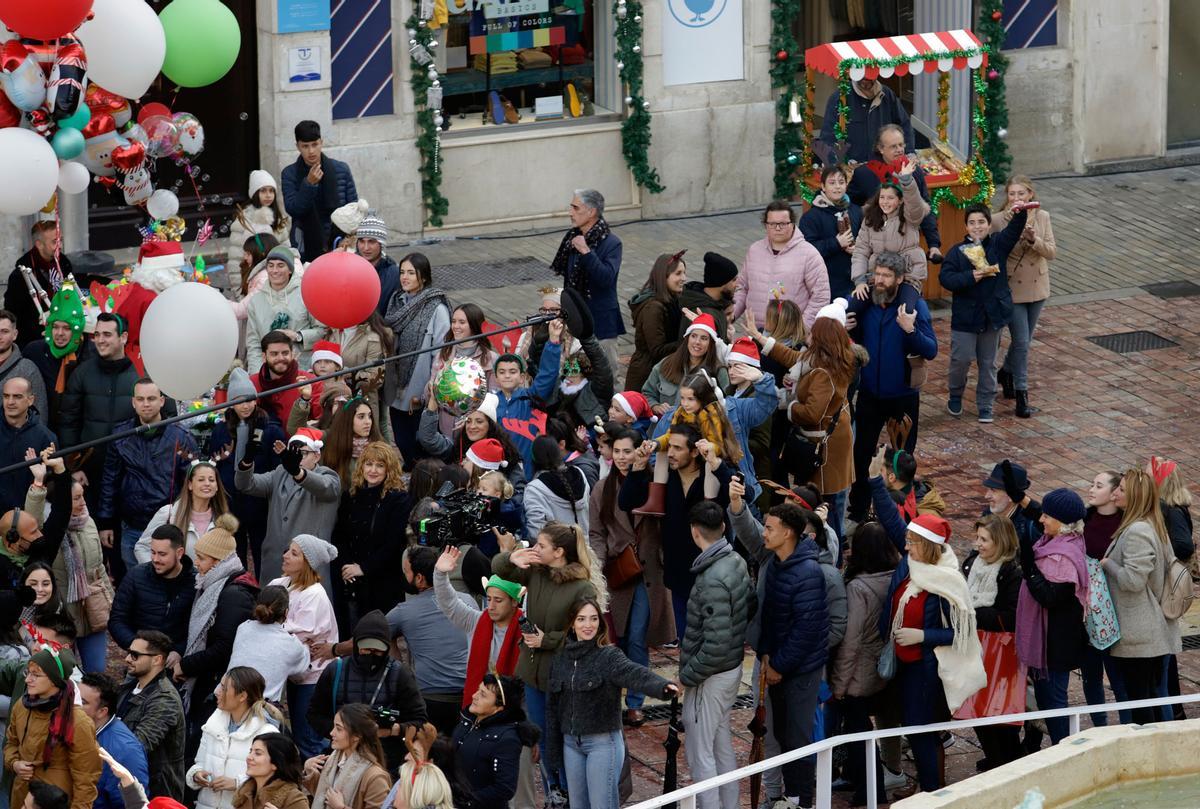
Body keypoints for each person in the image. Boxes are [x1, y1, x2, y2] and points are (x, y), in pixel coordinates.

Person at [491, 524, 597, 801]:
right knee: (542, 737)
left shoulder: (582, 587)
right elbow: (501, 571)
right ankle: (554, 793)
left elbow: (587, 634)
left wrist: (547, 640)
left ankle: (571, 794)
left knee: (562, 740)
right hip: (531, 674)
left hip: (560, 676)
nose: (535, 549)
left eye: (541, 546)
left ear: (559, 552)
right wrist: (509, 556)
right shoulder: (536, 572)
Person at [881, 514, 983, 794]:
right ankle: (930, 789)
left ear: (928, 545)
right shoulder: (912, 565)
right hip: (906, 667)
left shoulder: (948, 582)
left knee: (920, 732)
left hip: (925, 673)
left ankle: (932, 792)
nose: (906, 548)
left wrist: (922, 636)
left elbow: (963, 635)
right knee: (915, 731)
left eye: (911, 542)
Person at [546, 597, 676, 809]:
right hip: (571, 744)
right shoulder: (560, 660)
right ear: (571, 623)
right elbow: (552, 708)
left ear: (600, 622)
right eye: (581, 619)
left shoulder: (608, 656)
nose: (588, 625)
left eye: (593, 619)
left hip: (602, 744)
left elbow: (634, 673)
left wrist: (662, 686)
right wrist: (553, 755)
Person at [586, 425, 674, 726]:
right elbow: (596, 532)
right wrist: (597, 567)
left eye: (628, 451)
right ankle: (615, 697)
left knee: (637, 636)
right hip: (618, 569)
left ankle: (635, 701)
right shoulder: (601, 488)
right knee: (617, 637)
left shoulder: (655, 481)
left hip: (649, 569)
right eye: (618, 451)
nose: (622, 457)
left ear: (640, 450)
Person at [844, 252, 937, 523]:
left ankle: (901, 517)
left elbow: (931, 349)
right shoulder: (868, 304)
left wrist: (910, 330)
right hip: (870, 395)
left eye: (886, 276)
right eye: (877, 274)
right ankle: (857, 513)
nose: (879, 280)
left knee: (901, 461)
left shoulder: (915, 306)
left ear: (899, 278)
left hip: (903, 398)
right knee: (861, 456)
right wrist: (851, 329)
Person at [620, 427, 732, 639]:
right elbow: (626, 502)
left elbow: (746, 494)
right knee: (686, 641)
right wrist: (638, 467)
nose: (670, 453)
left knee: (715, 641)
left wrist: (717, 465)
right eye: (669, 446)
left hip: (713, 574)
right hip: (678, 574)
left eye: (677, 448)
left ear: (694, 452)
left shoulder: (713, 476)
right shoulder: (664, 480)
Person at [759, 305, 857, 538]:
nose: (808, 336)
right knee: (826, 499)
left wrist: (789, 404)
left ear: (822, 340)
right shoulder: (830, 359)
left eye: (814, 333)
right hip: (833, 440)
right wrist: (762, 339)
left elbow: (812, 413)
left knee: (824, 503)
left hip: (824, 448)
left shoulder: (824, 373)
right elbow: (794, 357)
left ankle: (830, 549)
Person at [679, 502, 752, 809]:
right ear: (723, 527)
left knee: (700, 753)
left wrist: (687, 676)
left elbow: (715, 645)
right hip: (731, 668)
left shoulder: (711, 578)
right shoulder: (735, 559)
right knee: (721, 745)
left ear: (695, 532)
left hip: (711, 676)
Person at [830, 522, 903, 804]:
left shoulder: (858, 587)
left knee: (857, 728)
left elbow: (851, 641)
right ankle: (875, 776)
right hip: (887, 664)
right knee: (884, 719)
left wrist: (839, 683)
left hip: (860, 670)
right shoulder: (896, 575)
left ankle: (870, 787)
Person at [1101, 468, 1181, 726]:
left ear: (1135, 496)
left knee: (1141, 702)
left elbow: (1133, 581)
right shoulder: (1150, 525)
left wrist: (1106, 565)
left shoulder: (1138, 531)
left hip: (1141, 633)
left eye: (1122, 490)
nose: (1115, 493)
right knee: (1151, 697)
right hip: (1149, 631)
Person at [939, 202, 1031, 423]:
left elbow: (1015, 229)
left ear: (989, 224)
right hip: (965, 318)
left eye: (981, 222)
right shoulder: (957, 252)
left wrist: (1021, 212)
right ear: (966, 227)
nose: (977, 227)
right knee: (960, 360)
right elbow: (946, 279)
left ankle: (986, 404)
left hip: (992, 317)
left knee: (988, 363)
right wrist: (970, 277)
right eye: (972, 223)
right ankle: (955, 394)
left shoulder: (998, 245)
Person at [97, 379, 197, 574]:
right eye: (141, 399)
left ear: (161, 401)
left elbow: (191, 483)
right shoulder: (120, 436)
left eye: (151, 398)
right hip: (132, 525)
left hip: (168, 525)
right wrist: (106, 522)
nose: (146, 404)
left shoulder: (181, 437)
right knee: (137, 578)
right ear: (133, 402)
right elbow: (110, 481)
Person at [307, 610, 425, 772]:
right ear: (356, 646)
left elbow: (419, 720)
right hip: (344, 759)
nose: (371, 655)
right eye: (366, 649)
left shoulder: (400, 674)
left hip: (386, 762)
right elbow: (314, 714)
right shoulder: (336, 670)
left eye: (377, 651)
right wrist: (342, 732)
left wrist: (392, 730)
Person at [1016, 488, 1088, 749]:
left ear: (1063, 522)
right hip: (1048, 639)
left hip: (1056, 644)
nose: (1042, 520)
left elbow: (1050, 597)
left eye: (1048, 516)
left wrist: (1029, 568)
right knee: (1047, 700)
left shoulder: (1063, 556)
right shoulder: (1056, 542)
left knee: (1054, 702)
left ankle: (1064, 750)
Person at [26, 449, 109, 673]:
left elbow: (99, 566)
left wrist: (108, 599)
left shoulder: (88, 521)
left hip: (92, 610)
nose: (83, 502)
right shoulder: (47, 527)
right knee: (62, 673)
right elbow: (31, 518)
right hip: (63, 612)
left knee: (97, 671)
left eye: (83, 495)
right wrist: (39, 480)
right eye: (76, 498)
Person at [174, 515, 257, 735]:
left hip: (217, 680)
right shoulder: (212, 585)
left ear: (218, 561)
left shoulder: (234, 594)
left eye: (201, 558)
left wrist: (186, 665)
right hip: (209, 676)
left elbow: (223, 647)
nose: (197, 564)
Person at [235, 429, 341, 587]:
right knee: (268, 610)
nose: (297, 458)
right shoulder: (280, 473)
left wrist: (298, 472)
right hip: (275, 564)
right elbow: (246, 485)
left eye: (303, 453)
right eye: (293, 452)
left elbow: (325, 487)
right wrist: (247, 461)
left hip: (306, 568)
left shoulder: (329, 476)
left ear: (317, 456)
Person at [959, 515, 1024, 771]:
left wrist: (974, 616)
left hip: (1002, 653)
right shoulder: (971, 563)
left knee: (1000, 709)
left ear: (1001, 541)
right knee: (975, 704)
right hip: (976, 648)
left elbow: (1011, 616)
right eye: (977, 538)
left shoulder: (1011, 572)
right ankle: (994, 756)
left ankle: (1005, 759)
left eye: (984, 540)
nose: (978, 545)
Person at [384, 547, 471, 736]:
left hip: (430, 699)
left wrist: (334, 649)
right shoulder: (468, 600)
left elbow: (372, 636)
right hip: (471, 696)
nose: (403, 575)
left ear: (420, 578)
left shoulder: (404, 611)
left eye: (406, 571)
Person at [57, 313, 137, 514]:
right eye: (97, 334)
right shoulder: (82, 373)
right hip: (89, 473)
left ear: (124, 337)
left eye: (107, 334)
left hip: (130, 471)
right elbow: (68, 422)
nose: (100, 340)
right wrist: (74, 467)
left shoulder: (139, 373)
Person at [210, 368, 285, 575]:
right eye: (240, 400)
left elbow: (278, 469)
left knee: (263, 553)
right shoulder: (220, 431)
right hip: (231, 503)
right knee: (235, 554)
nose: (246, 405)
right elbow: (216, 464)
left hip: (260, 504)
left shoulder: (270, 430)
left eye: (250, 399)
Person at [4, 647, 100, 809]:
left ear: (55, 680)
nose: (28, 680)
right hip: (22, 794)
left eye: (36, 674)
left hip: (55, 800)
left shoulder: (78, 722)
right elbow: (11, 742)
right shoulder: (22, 705)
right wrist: (14, 763)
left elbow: (86, 779)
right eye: (28, 673)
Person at [270, 536, 339, 759]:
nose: (285, 556)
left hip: (314, 676)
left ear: (307, 562)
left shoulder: (315, 595)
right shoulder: (281, 585)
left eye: (294, 553)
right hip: (295, 673)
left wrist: (277, 626)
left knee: (309, 739)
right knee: (298, 735)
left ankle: (314, 788)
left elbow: (298, 633)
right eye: (288, 550)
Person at [993, 176, 1056, 417]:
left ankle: (1006, 371)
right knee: (1021, 342)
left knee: (1025, 342)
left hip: (1038, 286)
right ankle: (1022, 394)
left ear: (1030, 194)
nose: (1016, 198)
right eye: (1012, 194)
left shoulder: (1042, 217)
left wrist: (1034, 239)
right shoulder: (998, 220)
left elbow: (1051, 252)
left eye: (1021, 193)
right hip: (1013, 288)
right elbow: (991, 250)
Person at [331, 442, 409, 633]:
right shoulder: (351, 495)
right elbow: (339, 535)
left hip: (383, 580)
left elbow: (393, 543)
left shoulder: (398, 499)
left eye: (380, 465)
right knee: (352, 633)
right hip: (351, 578)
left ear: (389, 469)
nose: (373, 470)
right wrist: (347, 566)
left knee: (383, 638)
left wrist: (363, 568)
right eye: (369, 464)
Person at [381, 253, 451, 468]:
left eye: (411, 273)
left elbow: (441, 352)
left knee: (419, 442)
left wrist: (430, 388)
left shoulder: (435, 307)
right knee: (401, 439)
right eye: (402, 272)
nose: (405, 277)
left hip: (420, 388)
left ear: (424, 276)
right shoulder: (396, 301)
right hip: (396, 384)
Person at [187, 668, 283, 809]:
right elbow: (199, 762)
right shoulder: (212, 724)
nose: (216, 691)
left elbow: (275, 779)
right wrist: (196, 775)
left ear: (242, 696)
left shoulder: (268, 732)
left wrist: (237, 783)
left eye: (224, 688)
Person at [846, 125, 942, 263]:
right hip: (876, 248)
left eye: (901, 145)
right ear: (880, 149)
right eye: (893, 146)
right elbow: (850, 206)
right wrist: (855, 240)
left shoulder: (914, 172)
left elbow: (924, 208)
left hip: (906, 246)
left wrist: (933, 244)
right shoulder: (865, 173)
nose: (899, 150)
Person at [551, 190, 623, 376]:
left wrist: (586, 252)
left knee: (606, 376)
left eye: (575, 207)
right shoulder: (572, 239)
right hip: (575, 321)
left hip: (601, 324)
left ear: (591, 212)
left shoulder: (611, 243)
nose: (570, 212)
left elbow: (606, 278)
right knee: (572, 376)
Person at [1080, 470, 1129, 726]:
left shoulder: (1126, 524)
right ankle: (1100, 727)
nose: (1091, 489)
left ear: (1113, 493)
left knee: (1118, 677)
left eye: (1098, 485)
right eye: (1092, 483)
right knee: (1090, 676)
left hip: (1116, 612)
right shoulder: (1084, 519)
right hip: (1088, 609)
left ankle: (1128, 728)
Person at [487, 318, 564, 478]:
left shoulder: (531, 398)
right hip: (495, 473)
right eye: (502, 372)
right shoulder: (489, 402)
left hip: (525, 473)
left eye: (512, 371)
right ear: (495, 377)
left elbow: (547, 375)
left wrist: (553, 342)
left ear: (522, 377)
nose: (507, 376)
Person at [115, 630, 186, 800]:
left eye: (135, 655)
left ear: (157, 659)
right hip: (129, 784)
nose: (127, 659)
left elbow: (137, 746)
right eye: (128, 653)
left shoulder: (165, 698)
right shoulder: (129, 687)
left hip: (155, 794)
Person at [736, 201, 830, 329]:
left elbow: (821, 297)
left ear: (792, 224)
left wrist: (802, 329)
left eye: (783, 224)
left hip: (789, 337)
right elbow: (742, 287)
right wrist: (731, 315)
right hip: (755, 332)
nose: (778, 228)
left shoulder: (809, 254)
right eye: (772, 224)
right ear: (766, 225)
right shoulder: (754, 250)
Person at [108, 525, 196, 654]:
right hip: (140, 657)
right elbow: (117, 620)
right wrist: (138, 648)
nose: (155, 559)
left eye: (162, 554)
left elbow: (199, 628)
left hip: (177, 662)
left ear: (179, 553)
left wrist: (179, 651)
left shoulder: (195, 583)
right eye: (153, 552)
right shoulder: (135, 576)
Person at [1150, 456, 1192, 721]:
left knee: (1165, 652)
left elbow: (1185, 546)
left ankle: (1174, 711)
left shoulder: (1171, 510)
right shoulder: (1172, 506)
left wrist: (1159, 553)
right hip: (1165, 589)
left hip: (1167, 590)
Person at [281, 120, 358, 263]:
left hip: (339, 241)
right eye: (305, 146)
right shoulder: (289, 174)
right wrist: (308, 184)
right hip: (306, 242)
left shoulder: (341, 169)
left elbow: (354, 210)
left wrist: (348, 239)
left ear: (321, 142)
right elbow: (293, 209)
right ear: (297, 147)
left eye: (315, 144)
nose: (311, 151)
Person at [850, 162, 931, 296]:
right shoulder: (871, 218)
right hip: (878, 277)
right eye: (882, 197)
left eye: (890, 198)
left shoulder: (909, 216)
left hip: (907, 276)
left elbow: (915, 205)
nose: (885, 202)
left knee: (910, 309)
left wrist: (907, 181)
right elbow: (861, 251)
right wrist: (859, 280)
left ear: (900, 201)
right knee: (854, 305)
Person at [24, 282, 96, 431]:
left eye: (66, 328)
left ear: (77, 331)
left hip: (78, 433)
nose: (59, 333)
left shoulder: (91, 354)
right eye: (55, 327)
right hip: (42, 431)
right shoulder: (34, 352)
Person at [451, 674, 529, 809]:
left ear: (499, 707)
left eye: (483, 695)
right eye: (477, 690)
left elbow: (504, 788)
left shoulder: (507, 739)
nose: (474, 696)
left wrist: (466, 802)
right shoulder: (468, 720)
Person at [133, 460, 230, 564]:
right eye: (201, 480)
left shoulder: (223, 519)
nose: (207, 483)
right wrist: (157, 575)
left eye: (211, 480)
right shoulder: (168, 513)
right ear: (190, 485)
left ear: (217, 487)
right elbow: (142, 548)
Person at [245, 248, 322, 375]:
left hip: (300, 368)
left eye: (280, 266)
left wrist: (298, 336)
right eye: (271, 266)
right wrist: (257, 375)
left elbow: (322, 331)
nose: (275, 271)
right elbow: (253, 344)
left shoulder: (306, 293)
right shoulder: (256, 301)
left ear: (290, 269)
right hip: (269, 372)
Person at [227, 586, 310, 703]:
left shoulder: (243, 627)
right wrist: (306, 646)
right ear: (286, 612)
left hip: (228, 702)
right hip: (261, 711)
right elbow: (302, 668)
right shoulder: (291, 644)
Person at [77, 672, 148, 809]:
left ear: (102, 712)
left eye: (82, 702)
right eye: (74, 698)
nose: (73, 705)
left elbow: (131, 804)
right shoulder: (73, 727)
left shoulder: (125, 752)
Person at [428, 304, 497, 439]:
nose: (456, 326)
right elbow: (429, 394)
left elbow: (493, 398)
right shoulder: (443, 354)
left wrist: (470, 418)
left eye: (462, 322)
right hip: (445, 430)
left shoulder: (490, 359)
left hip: (475, 432)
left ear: (474, 325)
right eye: (453, 321)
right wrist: (432, 387)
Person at [302, 704, 391, 809]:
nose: (331, 733)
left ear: (357, 736)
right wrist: (310, 771)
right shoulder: (333, 760)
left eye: (339, 729)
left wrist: (341, 808)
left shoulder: (375, 777)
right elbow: (324, 797)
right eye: (333, 727)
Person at [641, 315, 730, 415]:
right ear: (687, 338)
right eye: (694, 336)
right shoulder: (667, 363)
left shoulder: (718, 371)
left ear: (711, 344)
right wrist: (655, 406)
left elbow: (728, 405)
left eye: (704, 338)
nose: (697, 342)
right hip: (662, 428)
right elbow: (647, 393)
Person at [799, 165, 863, 300]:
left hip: (855, 281)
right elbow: (807, 251)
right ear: (823, 186)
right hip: (827, 284)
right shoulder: (811, 217)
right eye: (832, 183)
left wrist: (859, 248)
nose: (837, 187)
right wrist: (836, 243)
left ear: (846, 185)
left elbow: (868, 240)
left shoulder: (856, 211)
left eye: (841, 182)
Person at [5, 222, 73, 350]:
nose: (60, 246)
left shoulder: (64, 263)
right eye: (54, 242)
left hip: (63, 331)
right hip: (35, 340)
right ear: (39, 244)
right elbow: (13, 316)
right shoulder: (20, 275)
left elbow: (69, 294)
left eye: (61, 240)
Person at [625, 252, 687, 393]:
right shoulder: (653, 308)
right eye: (678, 273)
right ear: (663, 276)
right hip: (645, 378)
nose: (683, 278)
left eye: (684, 273)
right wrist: (687, 342)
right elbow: (657, 350)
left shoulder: (673, 300)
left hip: (661, 372)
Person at [818, 76, 913, 164]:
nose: (866, 77)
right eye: (862, 72)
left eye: (870, 72)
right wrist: (836, 164)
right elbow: (828, 137)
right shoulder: (840, 97)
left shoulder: (887, 95)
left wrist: (909, 153)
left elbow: (904, 125)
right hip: (852, 168)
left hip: (884, 166)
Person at [251, 332, 323, 437]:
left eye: (285, 353)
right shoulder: (251, 383)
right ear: (264, 356)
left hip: (298, 448)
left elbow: (321, 420)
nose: (280, 358)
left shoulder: (311, 382)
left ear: (292, 354)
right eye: (274, 354)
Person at [0, 377, 55, 511]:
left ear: (30, 400)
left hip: (28, 515)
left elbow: (53, 481)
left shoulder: (45, 437)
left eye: (17, 397)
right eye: (6, 396)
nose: (10, 402)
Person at [524, 436, 590, 538]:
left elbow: (536, 533)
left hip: (556, 552)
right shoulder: (579, 473)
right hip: (586, 549)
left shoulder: (535, 488)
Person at [228, 170, 293, 275]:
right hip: (251, 278)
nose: (268, 195)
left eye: (271, 191)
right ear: (254, 193)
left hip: (276, 278)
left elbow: (286, 250)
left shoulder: (277, 220)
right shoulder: (244, 221)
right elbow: (236, 258)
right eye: (263, 191)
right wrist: (239, 288)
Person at [231, 733, 309, 809]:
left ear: (275, 763)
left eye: (258, 753)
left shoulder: (293, 798)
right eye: (250, 751)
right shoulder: (244, 795)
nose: (249, 757)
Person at [321, 401, 384, 492]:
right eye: (361, 417)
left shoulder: (379, 444)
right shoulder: (333, 438)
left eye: (370, 416)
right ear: (349, 420)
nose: (368, 422)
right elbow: (295, 428)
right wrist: (304, 401)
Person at [676, 253, 738, 343]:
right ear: (722, 282)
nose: (737, 284)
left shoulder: (717, 305)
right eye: (733, 280)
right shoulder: (702, 312)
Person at [0, 312, 49, 423]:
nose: (0, 336)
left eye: (5, 331)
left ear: (15, 334)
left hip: (16, 437)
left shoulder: (27, 369)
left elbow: (40, 413)